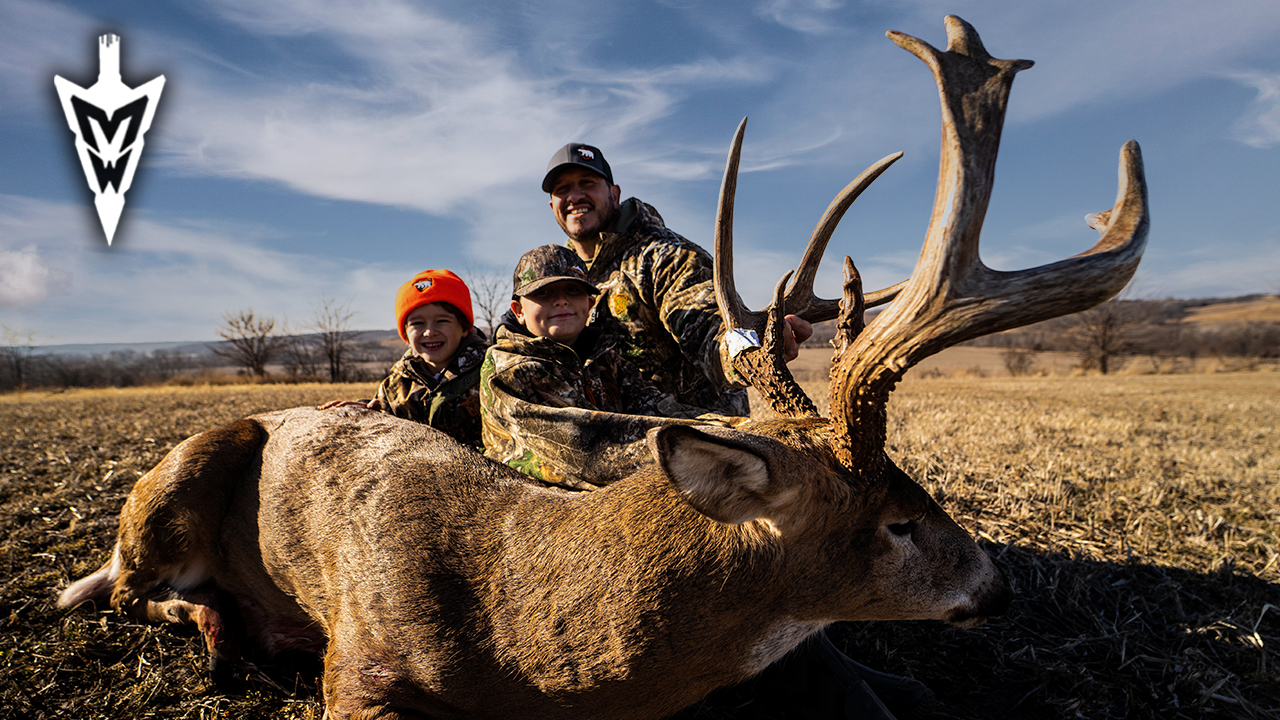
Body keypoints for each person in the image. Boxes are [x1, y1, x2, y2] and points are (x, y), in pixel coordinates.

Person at [541, 142, 813, 416]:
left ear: (614, 195)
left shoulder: (665, 257)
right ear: (553, 205)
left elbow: (709, 328)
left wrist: (750, 348)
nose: (575, 196)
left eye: (587, 183)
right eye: (562, 189)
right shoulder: (562, 276)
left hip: (696, 436)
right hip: (617, 438)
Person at [480, 244, 733, 490]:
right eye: (543, 293)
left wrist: (733, 428)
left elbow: (658, 408)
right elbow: (584, 445)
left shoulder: (606, 360)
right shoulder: (507, 368)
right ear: (518, 311)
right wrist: (717, 444)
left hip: (601, 502)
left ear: (590, 305)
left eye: (572, 289)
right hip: (537, 513)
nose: (560, 301)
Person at [323, 268, 489, 450]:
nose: (430, 332)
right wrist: (364, 409)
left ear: (464, 328)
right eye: (418, 323)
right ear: (406, 335)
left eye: (442, 321)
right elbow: (387, 413)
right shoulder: (397, 382)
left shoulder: (489, 373)